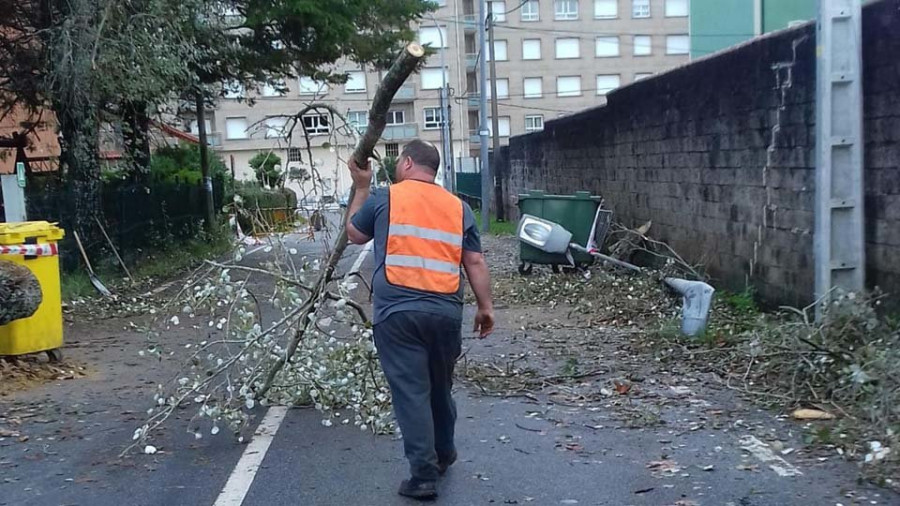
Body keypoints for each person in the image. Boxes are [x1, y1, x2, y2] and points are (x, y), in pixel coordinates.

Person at [346, 140, 494, 500]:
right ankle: (444, 452)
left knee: (412, 392)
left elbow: (354, 234)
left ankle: (424, 476)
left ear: (408, 163)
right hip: (445, 312)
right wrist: (485, 307)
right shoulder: (459, 207)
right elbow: (474, 261)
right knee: (440, 386)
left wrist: (362, 186)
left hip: (398, 313)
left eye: (400, 163)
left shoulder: (385, 197)